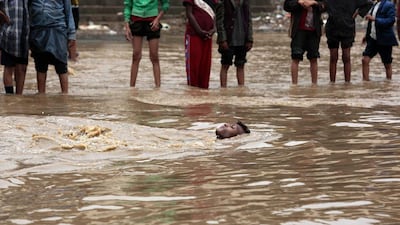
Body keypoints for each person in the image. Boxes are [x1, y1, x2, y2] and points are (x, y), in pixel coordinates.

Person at [29, 0, 76, 94]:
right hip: (38, 31)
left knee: (61, 65)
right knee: (40, 65)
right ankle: (41, 95)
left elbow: (68, 12)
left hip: (58, 30)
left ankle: (65, 95)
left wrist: (71, 34)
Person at [124, 0, 169, 88]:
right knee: (136, 55)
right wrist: (127, 26)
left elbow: (165, 4)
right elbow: (128, 6)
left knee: (154, 56)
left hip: (152, 22)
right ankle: (132, 89)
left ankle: (158, 88)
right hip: (136, 20)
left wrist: (157, 19)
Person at [325, 0, 373, 83]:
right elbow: (319, 3)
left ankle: (347, 82)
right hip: (332, 28)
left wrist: (359, 12)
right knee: (333, 57)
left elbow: (369, 3)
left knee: (346, 56)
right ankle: (332, 82)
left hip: (348, 27)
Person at [283, 0, 326, 85]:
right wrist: (299, 2)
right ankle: (294, 85)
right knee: (296, 56)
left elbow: (325, 6)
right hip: (298, 30)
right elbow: (287, 6)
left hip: (314, 31)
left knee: (314, 57)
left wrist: (314, 3)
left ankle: (314, 85)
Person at [216, 0, 253, 88]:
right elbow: (219, 22)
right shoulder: (223, 2)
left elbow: (249, 20)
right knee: (225, 64)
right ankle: (223, 89)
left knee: (241, 65)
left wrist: (250, 39)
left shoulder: (245, 2)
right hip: (229, 39)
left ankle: (241, 88)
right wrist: (222, 39)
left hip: (242, 39)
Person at [183, 0, 217, 89]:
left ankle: (203, 95)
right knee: (193, 67)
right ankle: (193, 94)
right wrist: (199, 31)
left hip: (208, 35)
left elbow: (215, 14)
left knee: (205, 68)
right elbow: (189, 14)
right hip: (194, 34)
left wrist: (214, 29)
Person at [361, 0, 398, 81]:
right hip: (373, 38)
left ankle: (388, 83)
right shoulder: (375, 5)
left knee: (387, 64)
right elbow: (371, 23)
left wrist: (375, 19)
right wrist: (366, 36)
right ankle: (366, 82)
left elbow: (391, 20)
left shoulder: (389, 5)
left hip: (385, 39)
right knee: (365, 60)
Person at [0, 0, 29, 95]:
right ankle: (10, 96)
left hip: (24, 36)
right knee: (9, 67)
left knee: (22, 68)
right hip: (8, 35)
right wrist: (3, 16)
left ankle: (18, 97)